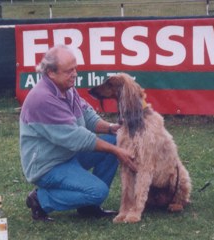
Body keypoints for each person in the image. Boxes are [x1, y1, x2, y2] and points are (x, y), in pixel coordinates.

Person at [19, 44, 137, 221]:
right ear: (51, 72)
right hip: (48, 166)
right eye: (69, 71)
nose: (74, 74)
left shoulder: (65, 87)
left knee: (114, 138)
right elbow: (76, 138)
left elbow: (87, 116)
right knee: (98, 191)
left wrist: (111, 128)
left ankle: (89, 207)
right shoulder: (43, 99)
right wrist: (117, 151)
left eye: (75, 68)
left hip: (67, 155)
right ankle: (41, 200)